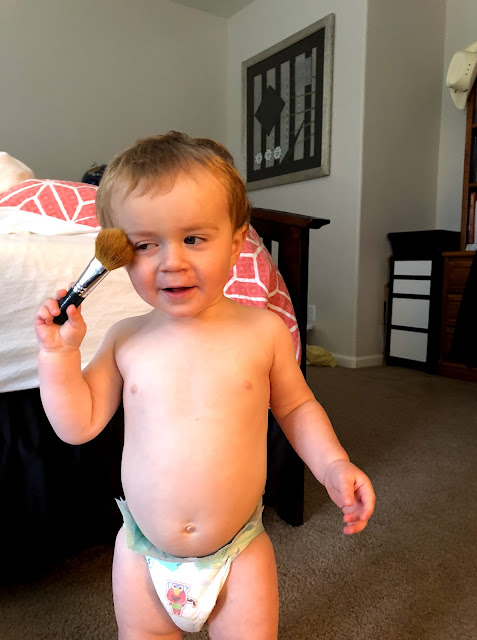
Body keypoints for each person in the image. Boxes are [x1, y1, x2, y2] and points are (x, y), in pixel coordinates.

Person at [35, 132, 375, 639]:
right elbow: (76, 426)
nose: (171, 261)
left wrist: (333, 463)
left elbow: (297, 407)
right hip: (142, 555)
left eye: (193, 239)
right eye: (145, 245)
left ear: (236, 244)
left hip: (239, 552)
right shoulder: (125, 339)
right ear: (120, 254)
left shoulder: (263, 331)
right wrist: (58, 356)